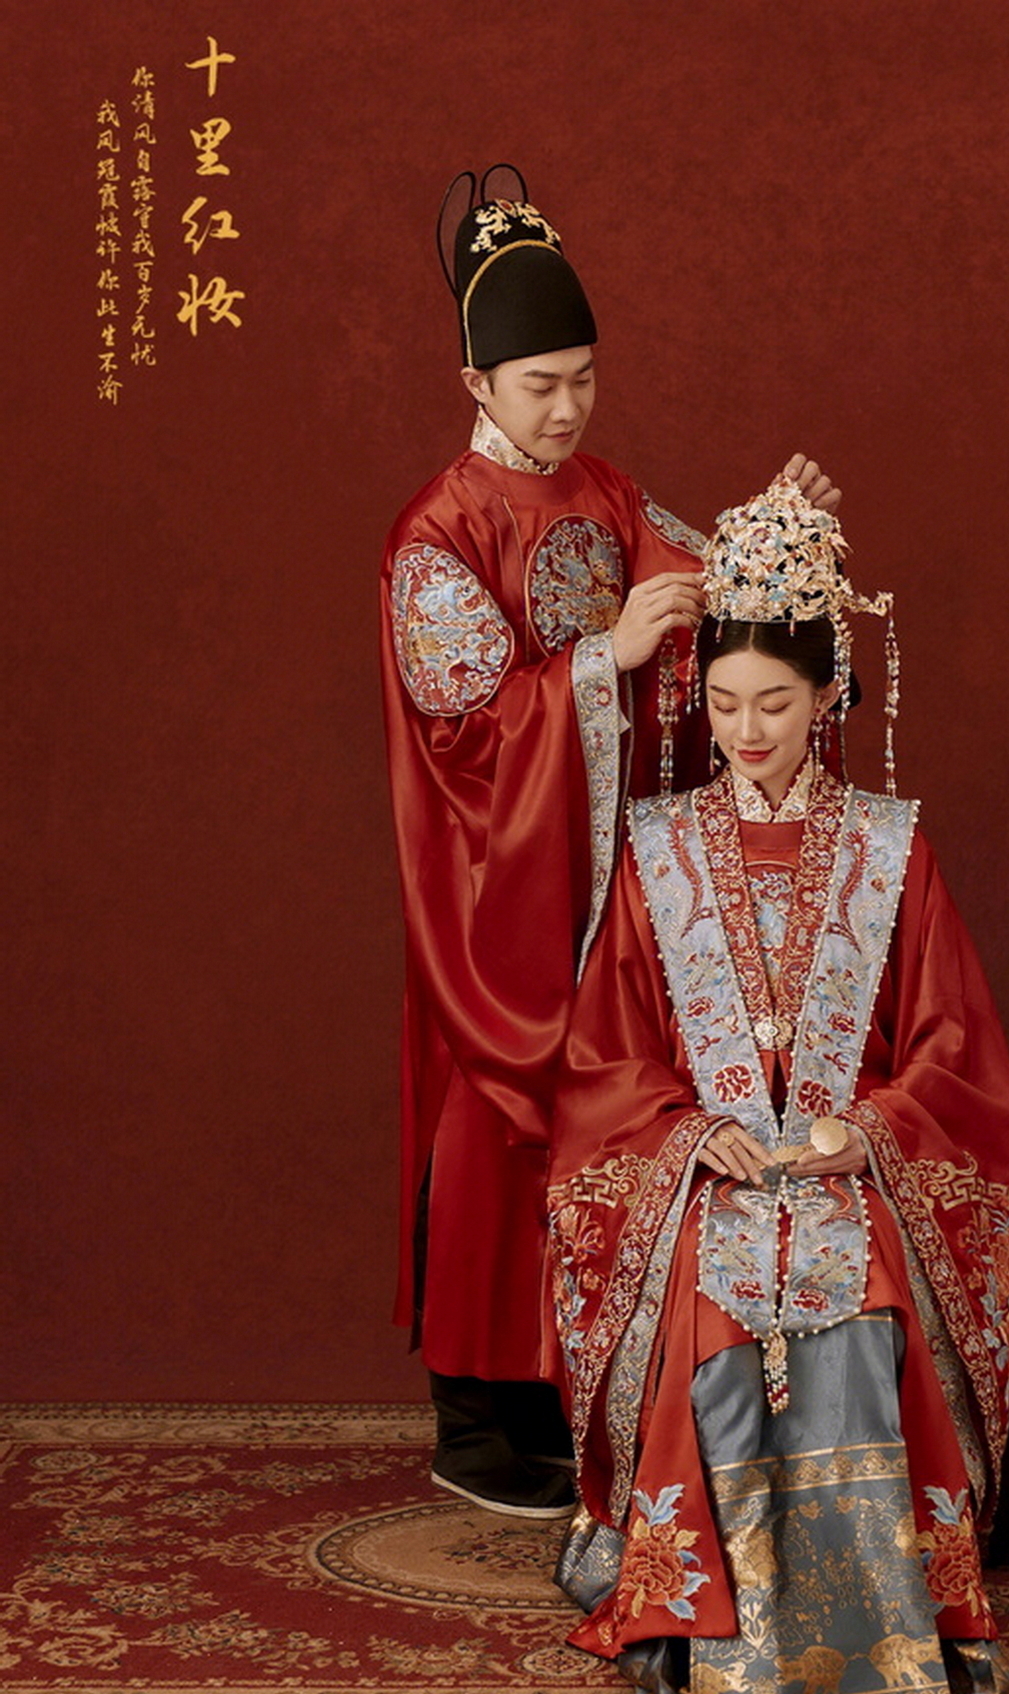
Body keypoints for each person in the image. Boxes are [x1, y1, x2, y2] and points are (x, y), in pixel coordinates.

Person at [380, 169, 839, 1519]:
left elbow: (707, 588)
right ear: (475, 382)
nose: (567, 407)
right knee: (488, 1128)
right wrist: (600, 662)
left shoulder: (606, 490)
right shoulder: (434, 534)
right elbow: (464, 733)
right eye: (539, 385)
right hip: (497, 894)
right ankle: (475, 1420)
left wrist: (772, 527)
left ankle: (569, 1389)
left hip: (601, 882)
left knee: (600, 1115)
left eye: (583, 378)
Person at [544, 477, 1009, 1694]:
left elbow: (954, 1050)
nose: (744, 730)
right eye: (721, 702)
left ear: (827, 696)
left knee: (857, 1316)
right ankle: (696, 1631)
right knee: (712, 1322)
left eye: (772, 702)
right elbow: (604, 1056)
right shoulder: (656, 847)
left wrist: (867, 1132)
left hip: (844, 1167)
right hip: (701, 1177)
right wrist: (685, 1133)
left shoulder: (889, 847)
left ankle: (898, 1629)